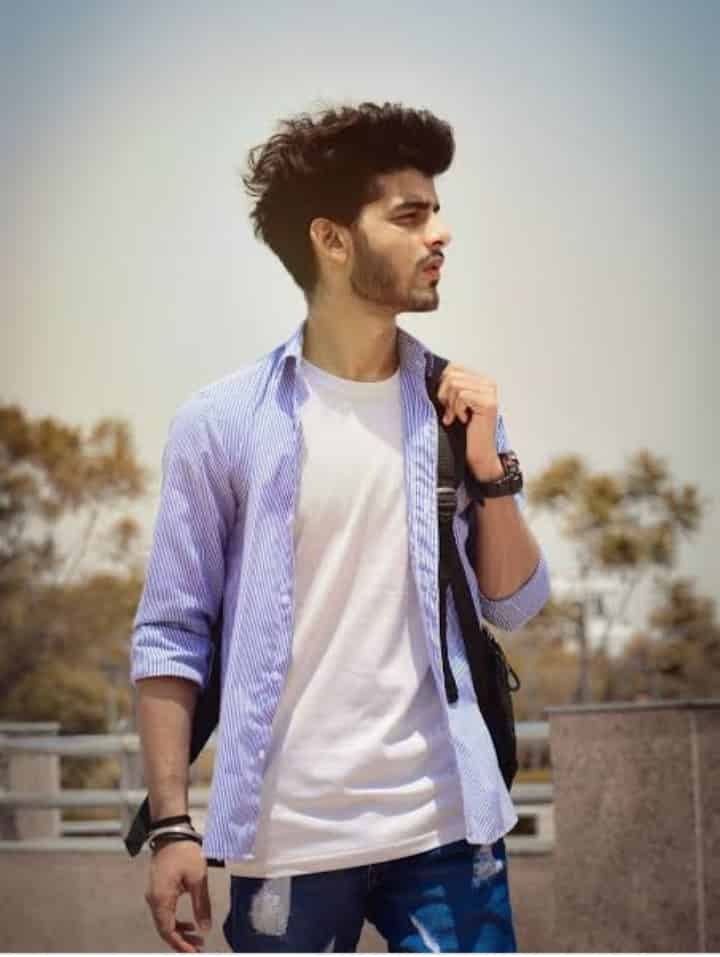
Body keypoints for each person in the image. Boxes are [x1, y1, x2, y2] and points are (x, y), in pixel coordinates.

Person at [131, 100, 551, 953]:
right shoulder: (223, 422)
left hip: (447, 829)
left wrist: (491, 471)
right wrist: (172, 823)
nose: (441, 233)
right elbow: (172, 633)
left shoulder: (454, 404)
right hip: (290, 839)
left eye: (437, 211)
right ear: (332, 239)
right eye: (411, 214)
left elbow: (514, 602)